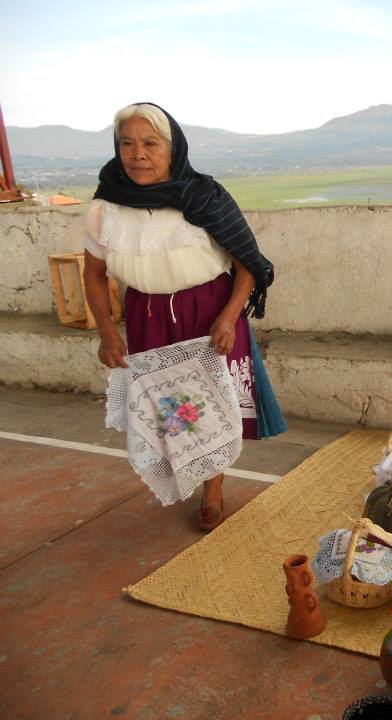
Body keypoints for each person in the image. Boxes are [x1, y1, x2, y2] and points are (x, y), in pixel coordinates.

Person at [83, 102, 282, 531]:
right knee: (170, 406)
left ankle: (213, 490)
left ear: (173, 149)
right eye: (127, 144)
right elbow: (95, 274)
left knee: (211, 403)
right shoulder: (105, 209)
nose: (138, 154)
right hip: (147, 314)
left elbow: (248, 262)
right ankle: (185, 471)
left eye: (150, 143)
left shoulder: (203, 197)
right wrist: (106, 331)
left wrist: (229, 317)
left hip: (207, 311)